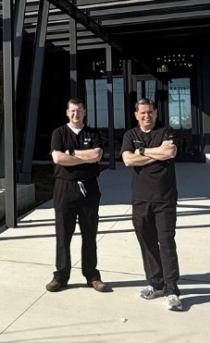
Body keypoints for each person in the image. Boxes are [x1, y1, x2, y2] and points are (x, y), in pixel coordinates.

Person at [121, 97, 182, 311]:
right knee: (146, 242)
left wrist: (142, 151)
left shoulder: (166, 131)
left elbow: (170, 152)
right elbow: (127, 160)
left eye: (150, 112)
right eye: (143, 112)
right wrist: (156, 154)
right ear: (136, 115)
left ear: (155, 113)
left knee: (166, 242)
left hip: (164, 198)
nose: (147, 116)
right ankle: (155, 283)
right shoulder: (130, 135)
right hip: (140, 199)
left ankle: (171, 290)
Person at [46, 98, 109, 293]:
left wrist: (71, 153)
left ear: (85, 112)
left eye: (79, 111)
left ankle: (92, 276)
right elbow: (58, 158)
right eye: (72, 111)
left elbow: (97, 156)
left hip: (89, 188)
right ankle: (61, 276)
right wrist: (84, 157)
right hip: (64, 188)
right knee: (63, 234)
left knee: (89, 234)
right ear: (67, 113)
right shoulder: (59, 133)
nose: (76, 114)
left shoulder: (93, 133)